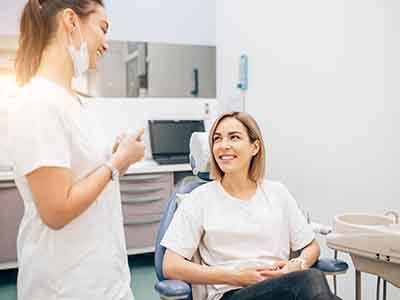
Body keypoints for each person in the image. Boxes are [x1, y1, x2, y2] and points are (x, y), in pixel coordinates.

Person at [7, 1, 144, 299]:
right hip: (66, 286)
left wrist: (115, 155)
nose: (106, 44)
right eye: (102, 28)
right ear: (71, 20)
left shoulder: (75, 102)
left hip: (105, 277)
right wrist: (116, 164)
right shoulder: (37, 103)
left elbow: (82, 172)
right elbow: (56, 210)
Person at [161, 112, 340, 300]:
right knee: (311, 280)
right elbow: (170, 265)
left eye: (234, 137)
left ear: (255, 147)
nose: (223, 145)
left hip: (284, 288)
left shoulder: (277, 193)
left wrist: (296, 265)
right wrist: (237, 276)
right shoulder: (198, 199)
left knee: (312, 284)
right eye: (217, 139)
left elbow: (311, 246)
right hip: (232, 293)